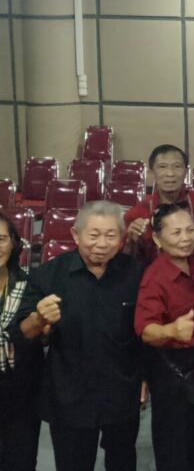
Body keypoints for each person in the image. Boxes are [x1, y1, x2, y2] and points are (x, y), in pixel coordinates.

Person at [10, 201, 145, 471]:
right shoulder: (48, 275)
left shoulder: (136, 274)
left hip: (121, 390)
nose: (102, 244)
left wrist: (145, 377)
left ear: (121, 237)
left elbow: (142, 333)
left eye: (111, 235)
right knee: (73, 464)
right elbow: (21, 332)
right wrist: (39, 319)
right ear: (75, 234)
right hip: (69, 394)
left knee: (122, 460)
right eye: (93, 235)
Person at [134, 204, 194, 471]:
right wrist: (171, 330)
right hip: (173, 372)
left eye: (190, 230)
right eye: (176, 232)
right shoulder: (155, 278)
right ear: (157, 239)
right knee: (174, 448)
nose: (186, 238)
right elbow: (146, 330)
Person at [124, 144, 194, 265]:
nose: (170, 173)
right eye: (162, 167)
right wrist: (131, 242)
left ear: (186, 172)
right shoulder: (137, 213)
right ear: (152, 173)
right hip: (157, 275)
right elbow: (127, 262)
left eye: (177, 166)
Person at [0, 212, 41, 471]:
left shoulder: (30, 284)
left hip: (21, 390)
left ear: (14, 242)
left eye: (1, 239)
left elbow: (34, 337)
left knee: (20, 460)